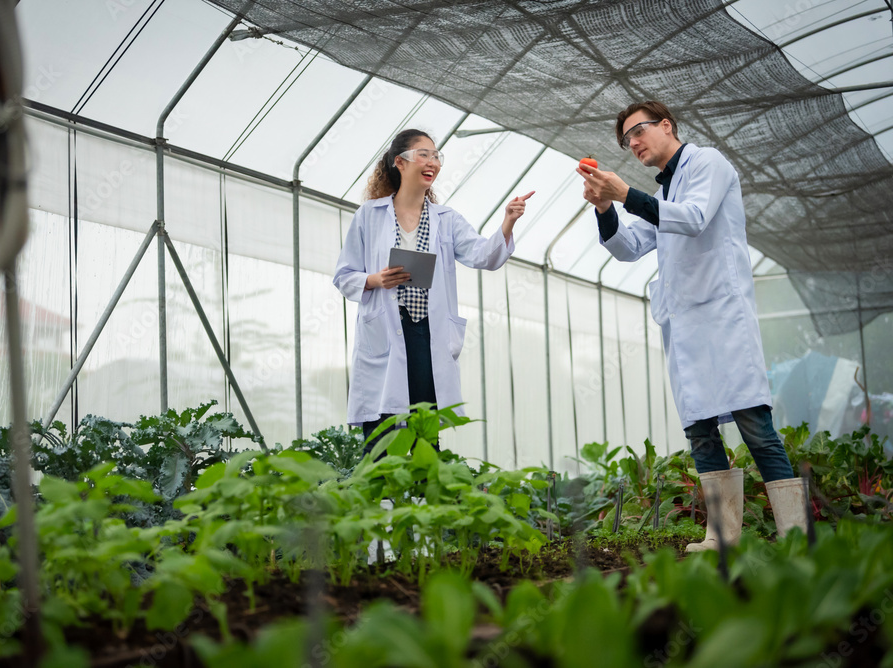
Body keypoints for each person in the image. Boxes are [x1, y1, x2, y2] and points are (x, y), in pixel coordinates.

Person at [576, 101, 808, 551]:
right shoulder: (662, 196)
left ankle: (797, 535)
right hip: (685, 329)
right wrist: (605, 207)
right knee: (700, 432)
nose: (633, 143)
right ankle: (723, 536)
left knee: (754, 425)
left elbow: (696, 218)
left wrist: (626, 195)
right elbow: (629, 247)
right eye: (627, 141)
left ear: (667, 125)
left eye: (638, 131)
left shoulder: (708, 163)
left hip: (722, 319)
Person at [334, 128, 533, 456]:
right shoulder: (369, 216)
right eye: (423, 154)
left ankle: (428, 501)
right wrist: (375, 280)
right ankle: (382, 499)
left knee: (425, 429)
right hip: (385, 329)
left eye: (436, 156)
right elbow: (344, 275)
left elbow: (485, 255)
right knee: (381, 430)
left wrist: (508, 222)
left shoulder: (446, 220)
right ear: (400, 162)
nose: (432, 162)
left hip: (427, 333)